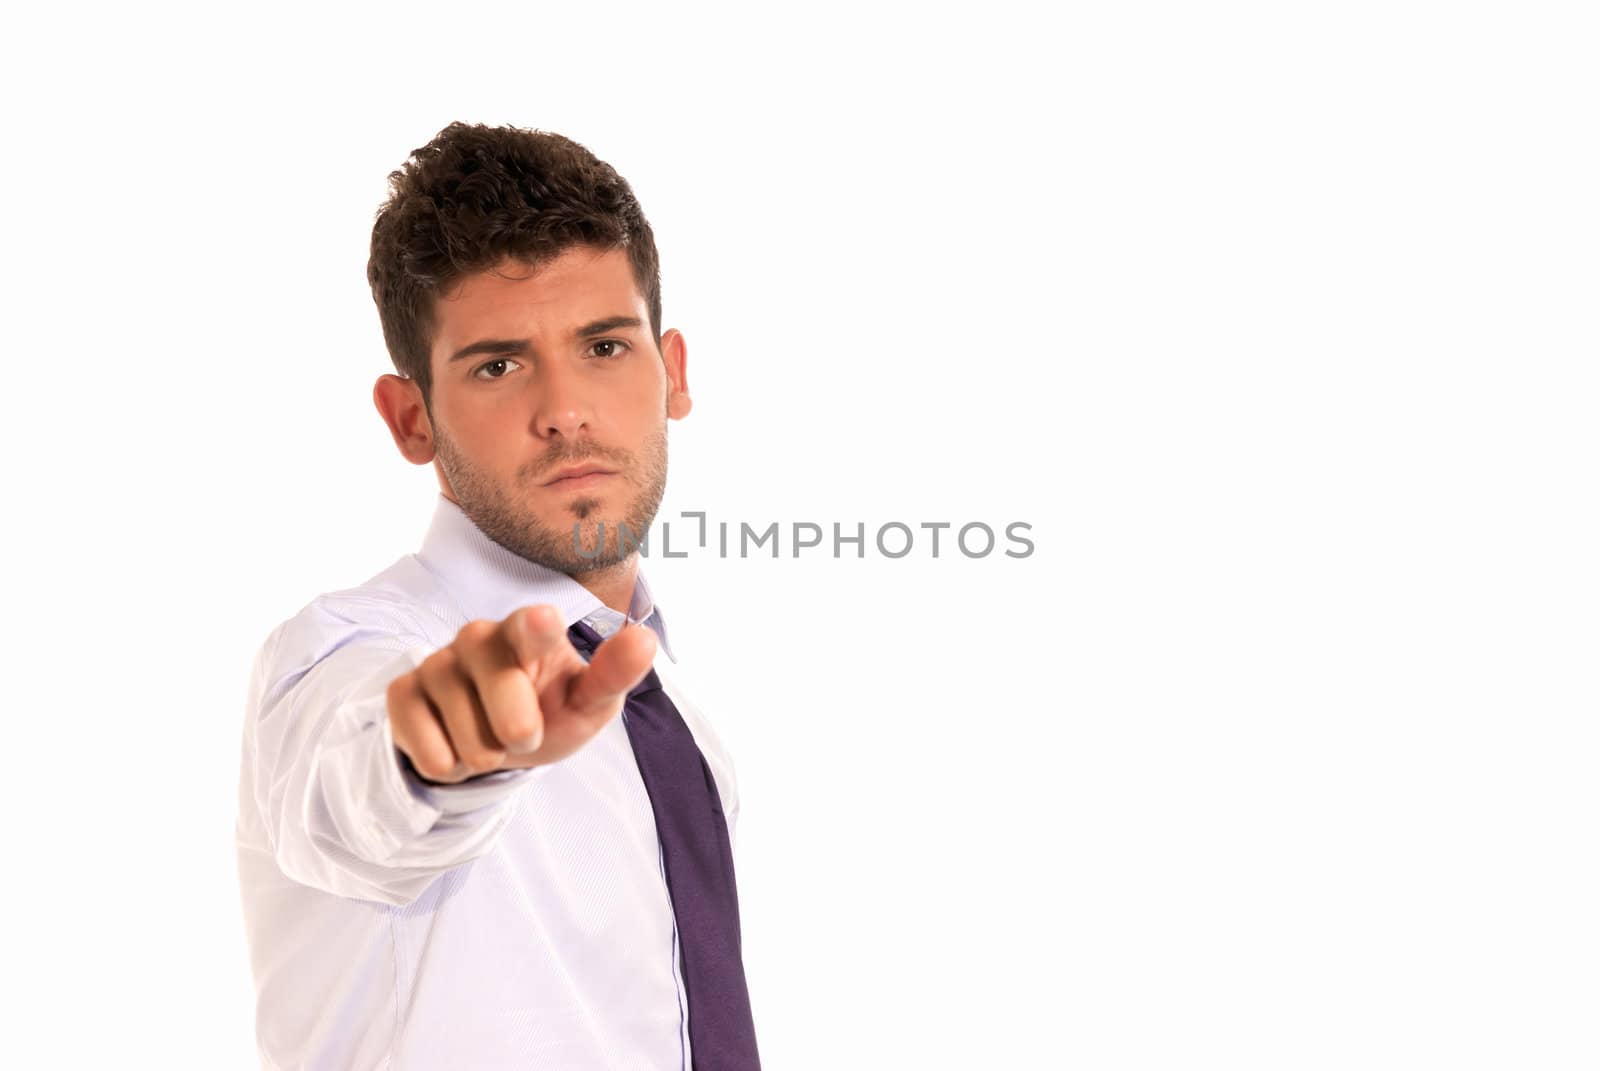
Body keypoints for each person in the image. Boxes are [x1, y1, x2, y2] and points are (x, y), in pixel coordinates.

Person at [234, 121, 761, 1070]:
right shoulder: (343, 654)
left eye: (604, 345)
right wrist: (441, 755)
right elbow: (352, 797)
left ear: (671, 371)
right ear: (411, 419)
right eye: (498, 364)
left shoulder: (660, 693)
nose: (564, 407)